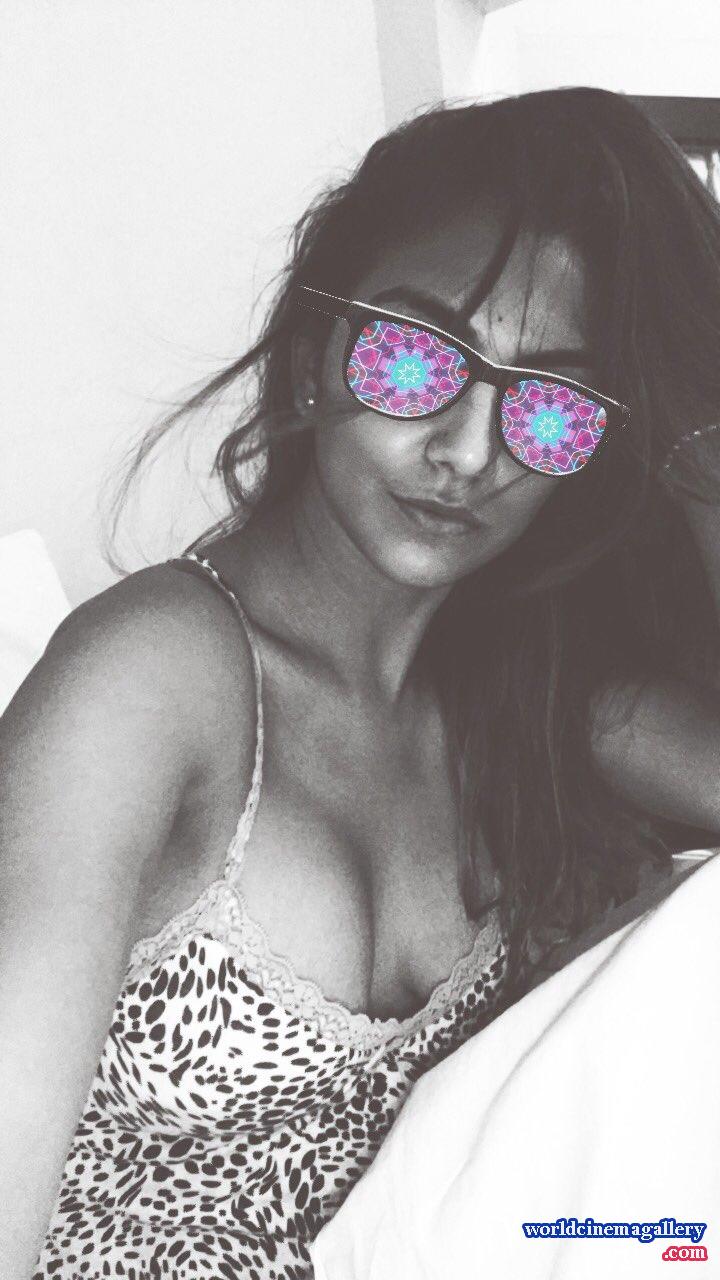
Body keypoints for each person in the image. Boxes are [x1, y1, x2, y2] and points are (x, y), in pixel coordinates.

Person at [2, 85, 720, 1280]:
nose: (470, 449)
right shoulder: (153, 680)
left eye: (551, 403)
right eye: (416, 355)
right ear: (309, 362)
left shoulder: (529, 691)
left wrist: (698, 451)